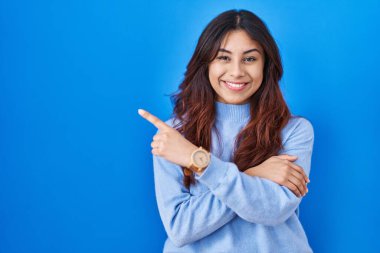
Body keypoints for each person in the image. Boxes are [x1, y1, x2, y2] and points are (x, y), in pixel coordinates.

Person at [138, 9, 314, 253]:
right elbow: (181, 228)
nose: (236, 71)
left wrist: (199, 161)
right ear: (206, 63)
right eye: (223, 57)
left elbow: (273, 210)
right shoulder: (175, 136)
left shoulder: (295, 131)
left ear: (266, 65)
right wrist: (254, 174)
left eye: (250, 59)